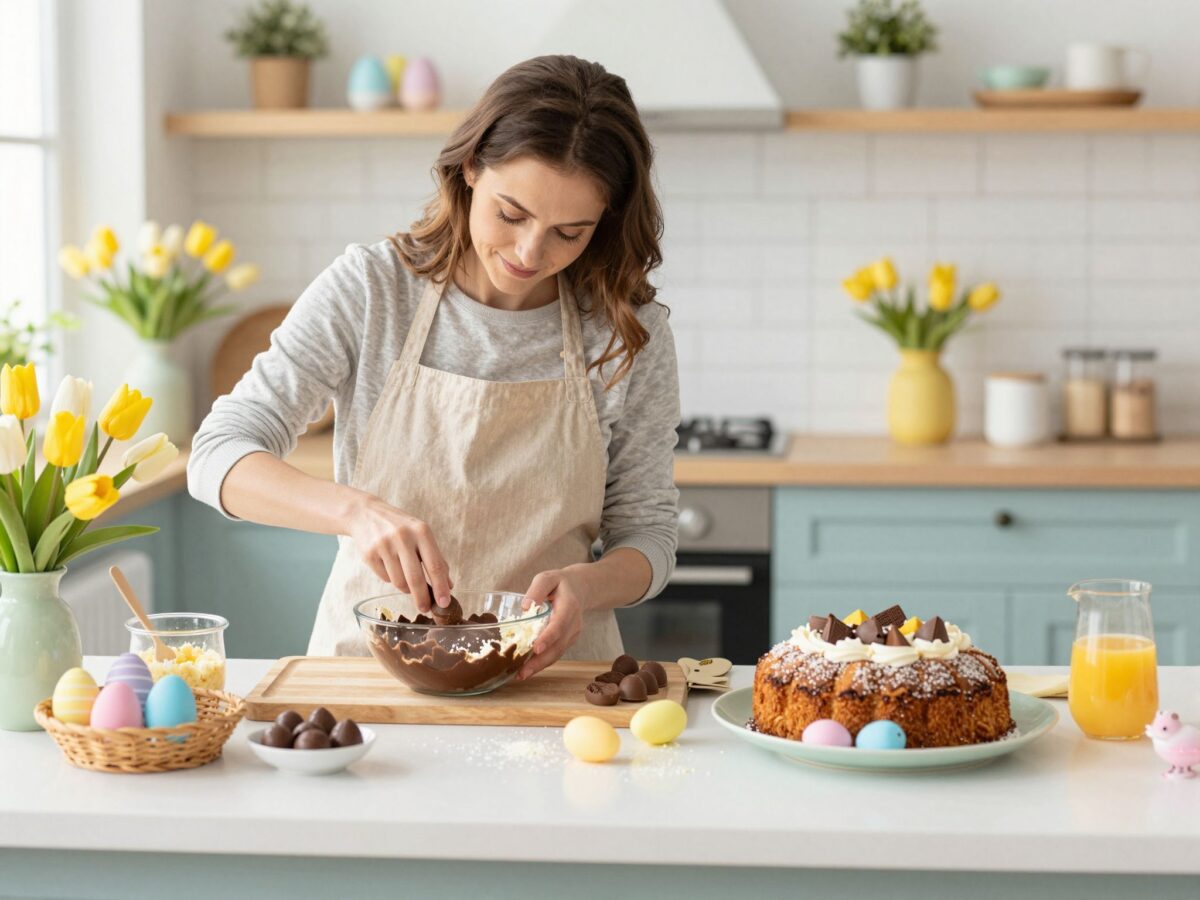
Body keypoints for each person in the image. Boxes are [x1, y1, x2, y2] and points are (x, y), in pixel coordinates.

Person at [187, 55, 679, 679]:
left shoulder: (625, 331)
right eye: (512, 214)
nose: (531, 252)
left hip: (552, 683)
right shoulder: (372, 290)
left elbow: (650, 536)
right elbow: (215, 454)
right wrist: (354, 512)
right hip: (369, 678)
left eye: (569, 232)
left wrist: (591, 585)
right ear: (471, 167)